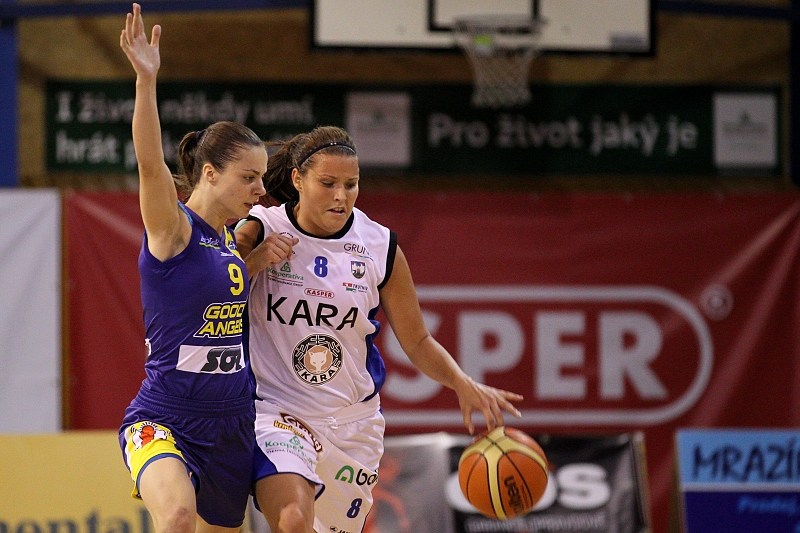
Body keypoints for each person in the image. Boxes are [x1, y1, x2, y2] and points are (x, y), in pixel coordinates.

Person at [235, 125, 524, 533]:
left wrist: (461, 382)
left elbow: (417, 340)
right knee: (293, 519)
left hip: (353, 425)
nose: (341, 196)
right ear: (298, 180)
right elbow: (212, 299)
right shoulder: (261, 228)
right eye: (328, 183)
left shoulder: (378, 245)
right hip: (277, 411)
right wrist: (252, 263)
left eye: (351, 184)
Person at [116, 4, 268, 532]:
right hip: (166, 416)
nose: (260, 189)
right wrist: (146, 81)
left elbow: (213, 296)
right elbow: (148, 164)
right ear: (209, 173)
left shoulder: (228, 241)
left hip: (232, 421)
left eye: (262, 178)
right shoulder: (173, 228)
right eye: (249, 177)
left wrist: (253, 263)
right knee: (177, 516)